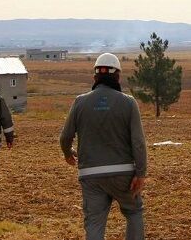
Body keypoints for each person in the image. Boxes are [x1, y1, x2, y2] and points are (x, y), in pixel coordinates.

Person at [60, 53, 147, 240]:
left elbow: (65, 136)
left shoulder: (79, 102)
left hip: (90, 175)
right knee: (134, 213)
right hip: (124, 174)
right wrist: (140, 173)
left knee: (94, 223)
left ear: (95, 77)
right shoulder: (129, 103)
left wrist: (68, 153)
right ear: (118, 76)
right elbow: (138, 142)